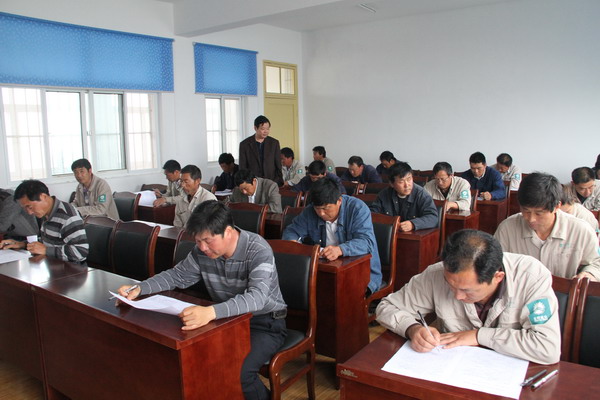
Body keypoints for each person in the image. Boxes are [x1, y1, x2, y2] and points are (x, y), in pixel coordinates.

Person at [117, 201, 287, 400]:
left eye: (207, 240)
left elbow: (257, 298)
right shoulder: (202, 252)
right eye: (198, 241)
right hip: (227, 320)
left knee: (239, 372)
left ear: (228, 231)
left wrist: (211, 312)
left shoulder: (257, 249)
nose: (203, 248)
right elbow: (177, 276)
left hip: (265, 323)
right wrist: (140, 288)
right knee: (192, 360)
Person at [376, 229, 561, 365]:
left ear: (497, 277)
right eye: (450, 285)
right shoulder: (436, 275)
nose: (457, 296)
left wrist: (479, 336)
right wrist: (412, 328)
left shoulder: (531, 277)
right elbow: (386, 307)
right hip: (450, 370)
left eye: (467, 290)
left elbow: (547, 348)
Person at [282, 177, 382, 296]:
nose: (321, 213)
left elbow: (366, 242)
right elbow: (292, 231)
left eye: (326, 208)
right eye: (317, 209)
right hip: (326, 269)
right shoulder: (310, 211)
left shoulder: (357, 208)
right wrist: (292, 243)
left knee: (341, 294)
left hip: (360, 270)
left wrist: (340, 249)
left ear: (339, 201)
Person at [494, 173, 600, 281]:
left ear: (557, 206)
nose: (531, 219)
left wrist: (588, 274)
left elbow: (596, 263)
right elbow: (494, 262)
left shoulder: (581, 230)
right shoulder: (507, 228)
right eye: (526, 211)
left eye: (539, 213)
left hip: (561, 291)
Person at [0, 180, 88, 262]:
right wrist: (22, 244)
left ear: (43, 197)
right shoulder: (47, 213)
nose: (29, 212)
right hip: (52, 265)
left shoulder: (67, 216)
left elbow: (81, 252)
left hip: (71, 269)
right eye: (25, 208)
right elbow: (50, 243)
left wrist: (46, 250)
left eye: (29, 207)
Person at [370, 162, 438, 232]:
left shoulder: (421, 194)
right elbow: (372, 214)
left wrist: (413, 224)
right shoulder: (384, 194)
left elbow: (433, 218)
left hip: (412, 235)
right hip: (389, 234)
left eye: (409, 179)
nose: (407, 185)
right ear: (391, 184)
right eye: (401, 182)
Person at [239, 115, 283, 186]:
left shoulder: (274, 143)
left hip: (271, 182)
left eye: (268, 129)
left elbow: (278, 165)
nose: (266, 131)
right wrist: (247, 183)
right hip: (252, 184)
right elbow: (242, 167)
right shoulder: (244, 144)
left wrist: (276, 182)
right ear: (255, 128)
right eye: (263, 129)